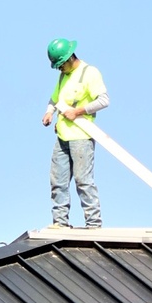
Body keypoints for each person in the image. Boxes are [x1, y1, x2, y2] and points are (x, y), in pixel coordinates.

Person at [42, 38, 109, 229]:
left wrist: (78, 111)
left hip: (81, 137)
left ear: (70, 58)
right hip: (62, 137)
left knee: (83, 181)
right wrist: (49, 112)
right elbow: (55, 98)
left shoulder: (89, 73)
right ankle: (60, 222)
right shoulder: (64, 76)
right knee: (58, 181)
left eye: (61, 65)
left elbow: (104, 100)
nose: (59, 69)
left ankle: (94, 224)